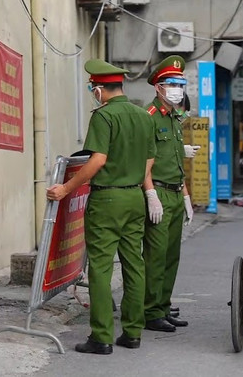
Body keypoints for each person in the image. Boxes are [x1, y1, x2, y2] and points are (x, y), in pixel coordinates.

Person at [47, 59, 156, 354]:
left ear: (98, 90)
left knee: (101, 268)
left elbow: (98, 159)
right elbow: (149, 160)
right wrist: (149, 192)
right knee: (135, 265)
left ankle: (102, 337)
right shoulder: (143, 116)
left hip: (107, 199)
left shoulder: (104, 116)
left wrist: (66, 188)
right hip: (135, 197)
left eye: (92, 88)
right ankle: (133, 333)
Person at [142, 55, 195, 333]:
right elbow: (145, 163)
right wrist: (150, 194)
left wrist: (186, 196)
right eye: (171, 83)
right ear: (158, 87)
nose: (177, 88)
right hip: (159, 193)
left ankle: (163, 306)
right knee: (156, 255)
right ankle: (150, 311)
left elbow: (176, 161)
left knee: (172, 255)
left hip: (175, 191)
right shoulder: (149, 118)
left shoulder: (175, 118)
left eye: (180, 83)